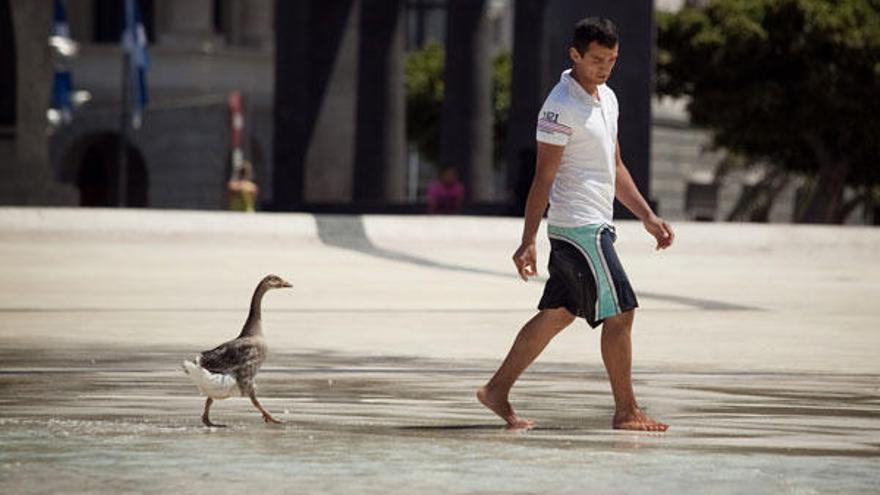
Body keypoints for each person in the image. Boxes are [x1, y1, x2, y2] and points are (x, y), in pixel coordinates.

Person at [477, 17, 674, 432]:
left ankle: (497, 390)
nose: (604, 68)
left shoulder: (608, 98)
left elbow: (615, 166)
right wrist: (528, 239)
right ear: (575, 55)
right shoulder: (559, 106)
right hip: (578, 229)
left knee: (557, 313)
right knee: (621, 314)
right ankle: (626, 411)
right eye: (597, 60)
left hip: (596, 225)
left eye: (612, 60)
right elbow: (542, 177)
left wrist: (647, 217)